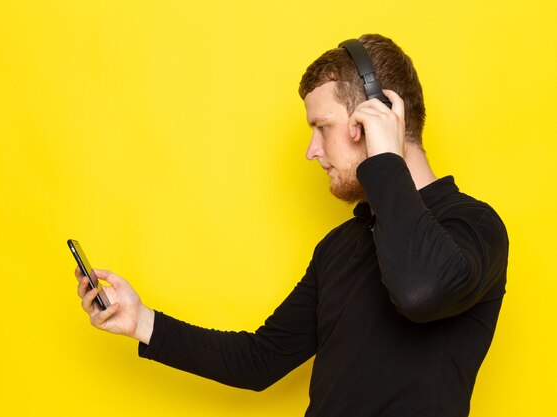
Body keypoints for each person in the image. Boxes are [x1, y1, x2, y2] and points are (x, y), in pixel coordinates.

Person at [75, 34, 508, 417]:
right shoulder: (339, 247)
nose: (311, 151)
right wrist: (140, 321)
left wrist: (385, 159)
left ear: (380, 116)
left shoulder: (474, 227)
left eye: (323, 127)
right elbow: (261, 359)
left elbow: (419, 291)